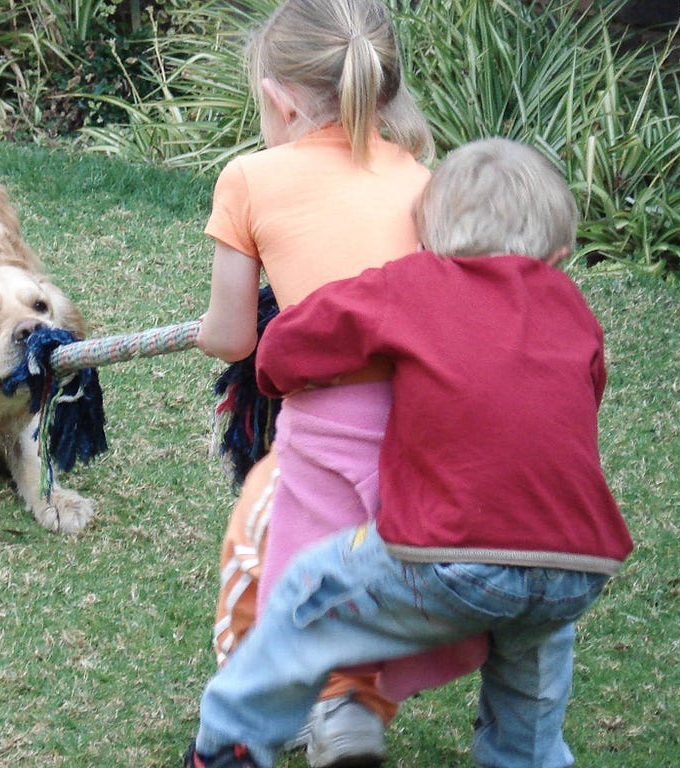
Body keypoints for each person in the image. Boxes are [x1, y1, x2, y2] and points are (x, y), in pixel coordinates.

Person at [184, 137, 635, 768]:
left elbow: (294, 342)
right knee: (531, 671)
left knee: (306, 590)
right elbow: (589, 391)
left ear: (427, 235)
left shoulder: (416, 282)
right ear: (559, 254)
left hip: (453, 552)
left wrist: (275, 371)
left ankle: (233, 739)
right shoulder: (575, 309)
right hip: (576, 564)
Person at [195, 1, 485, 764]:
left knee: (263, 539)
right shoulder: (422, 177)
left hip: (330, 420)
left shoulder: (250, 177)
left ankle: (258, 708)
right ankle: (352, 699)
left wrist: (205, 331)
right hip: (430, 423)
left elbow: (232, 338)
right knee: (368, 556)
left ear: (279, 97)